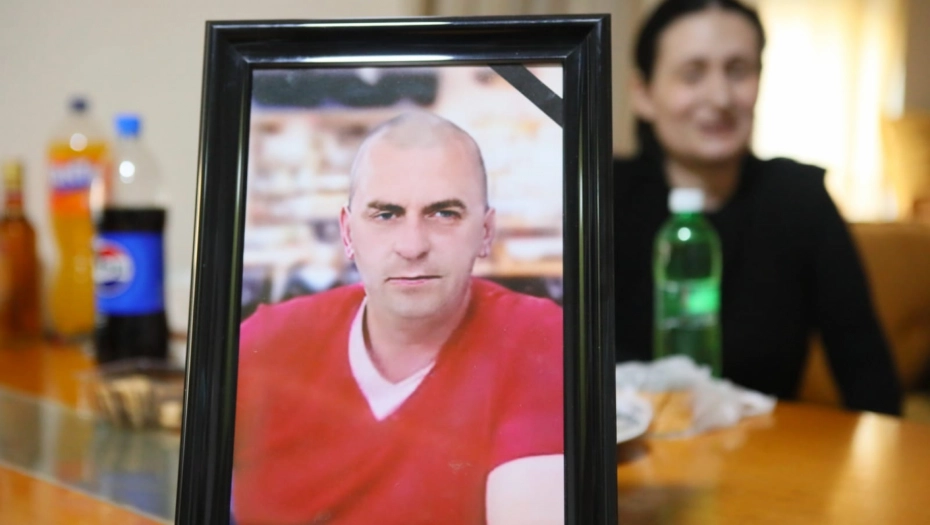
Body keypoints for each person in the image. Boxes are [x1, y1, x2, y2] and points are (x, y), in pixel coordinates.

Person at [232, 111, 565, 525]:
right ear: (347, 233)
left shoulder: (535, 337)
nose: (412, 246)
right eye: (386, 214)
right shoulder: (264, 343)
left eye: (444, 214)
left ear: (485, 232)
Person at [614, 0, 903, 415]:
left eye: (738, 71)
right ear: (643, 93)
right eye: (692, 74)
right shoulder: (600, 198)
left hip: (764, 446)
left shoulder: (799, 198)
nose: (720, 97)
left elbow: (868, 374)